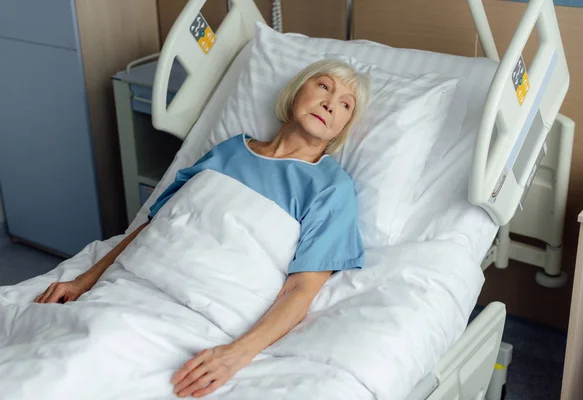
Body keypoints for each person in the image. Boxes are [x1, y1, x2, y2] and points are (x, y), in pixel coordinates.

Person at [34, 59, 370, 398]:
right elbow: (157, 225)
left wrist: (236, 355)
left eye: (345, 104)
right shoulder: (229, 151)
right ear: (297, 90)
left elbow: (301, 291)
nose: (330, 103)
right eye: (324, 86)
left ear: (342, 128)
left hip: (199, 316)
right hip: (130, 288)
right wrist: (83, 281)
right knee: (52, 359)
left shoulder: (331, 188)